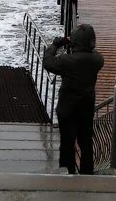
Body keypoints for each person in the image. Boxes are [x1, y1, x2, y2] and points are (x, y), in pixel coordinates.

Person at [43, 24, 105, 174]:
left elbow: (48, 62)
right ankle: (86, 173)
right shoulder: (98, 59)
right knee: (86, 142)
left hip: (67, 109)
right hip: (86, 107)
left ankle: (67, 173)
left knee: (67, 144)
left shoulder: (66, 61)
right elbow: (86, 54)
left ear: (75, 42)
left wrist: (55, 45)